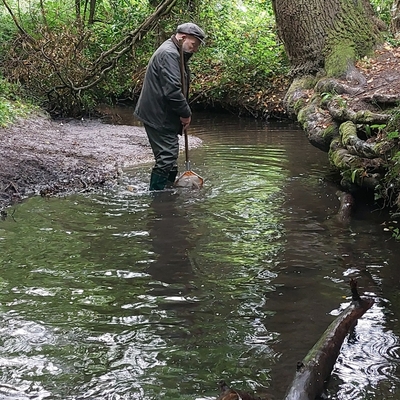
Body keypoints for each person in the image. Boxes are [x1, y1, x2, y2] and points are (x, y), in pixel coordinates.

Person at [134, 22, 206, 191]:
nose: (195, 49)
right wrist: (186, 113)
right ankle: (157, 197)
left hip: (162, 112)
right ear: (183, 37)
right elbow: (173, 90)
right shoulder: (169, 54)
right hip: (158, 114)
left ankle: (167, 192)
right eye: (194, 44)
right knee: (167, 157)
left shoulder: (176, 52)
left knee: (169, 157)